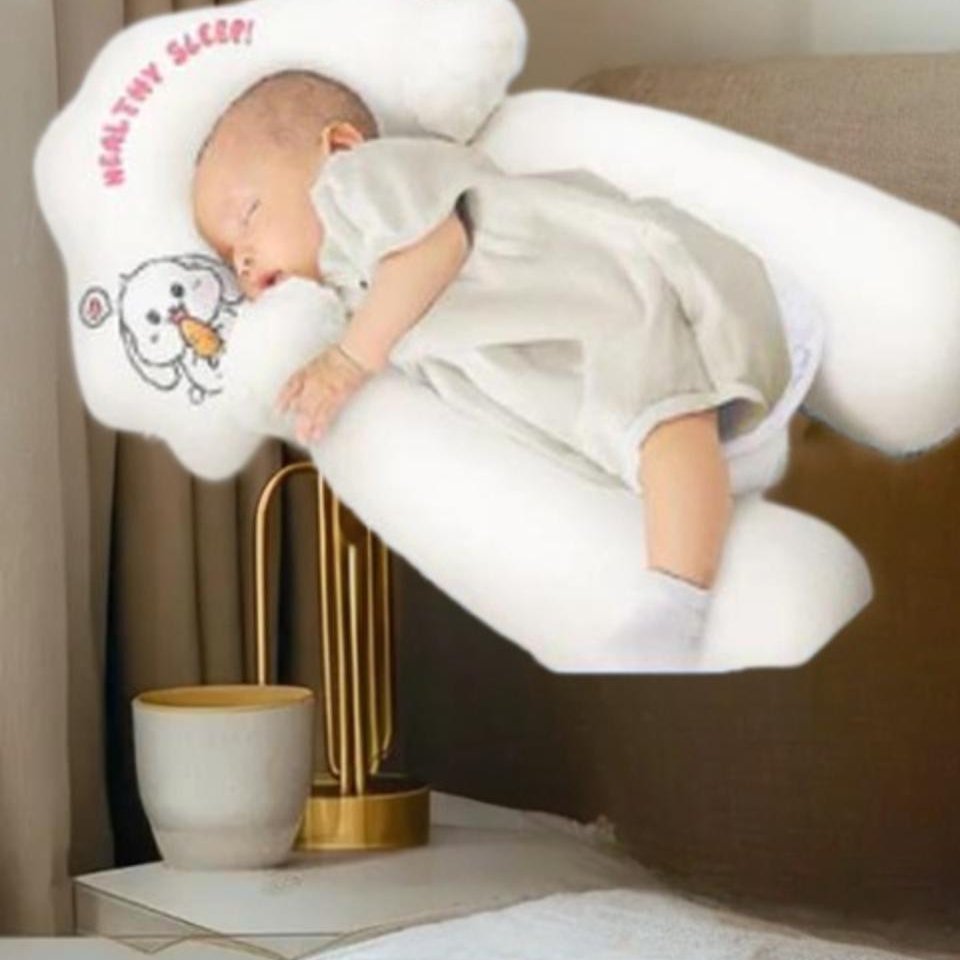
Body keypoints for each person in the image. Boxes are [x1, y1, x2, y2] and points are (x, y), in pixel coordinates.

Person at [191, 68, 817, 671]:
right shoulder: (345, 293)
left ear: (339, 145)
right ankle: (706, 496)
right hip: (567, 338)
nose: (241, 258)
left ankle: (676, 603)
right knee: (642, 430)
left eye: (248, 214)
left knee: (659, 413)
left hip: (604, 287)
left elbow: (436, 248)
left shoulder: (358, 184)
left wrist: (348, 360)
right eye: (227, 255)